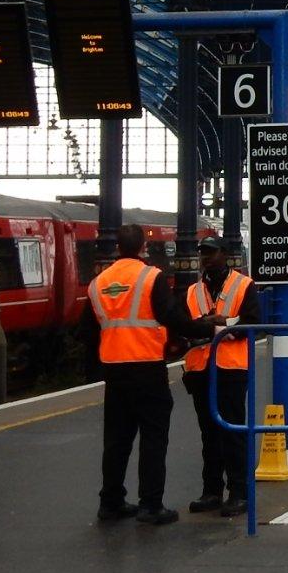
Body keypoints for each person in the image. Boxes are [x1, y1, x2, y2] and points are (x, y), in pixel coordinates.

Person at [89, 222, 203, 526]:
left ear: (117, 248)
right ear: (143, 248)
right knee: (153, 437)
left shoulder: (98, 283)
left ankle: (110, 502)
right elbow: (173, 317)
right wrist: (208, 327)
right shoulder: (150, 278)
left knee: (116, 440)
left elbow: (90, 329)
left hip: (114, 371)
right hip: (147, 368)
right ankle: (150, 505)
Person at [182, 238, 259, 517]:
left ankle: (239, 492)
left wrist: (221, 325)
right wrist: (202, 327)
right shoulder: (192, 291)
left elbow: (254, 323)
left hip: (231, 368)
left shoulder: (243, 285)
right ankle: (211, 491)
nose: (206, 258)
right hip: (201, 369)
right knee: (209, 434)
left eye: (211, 253)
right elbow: (184, 326)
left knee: (233, 432)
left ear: (225, 254)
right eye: (203, 254)